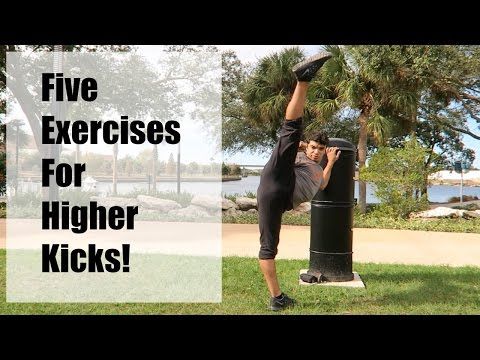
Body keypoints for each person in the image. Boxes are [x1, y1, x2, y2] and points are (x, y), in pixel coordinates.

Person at [257, 51, 341, 311]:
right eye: (313, 147)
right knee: (290, 130)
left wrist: (331, 162)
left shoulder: (317, 170)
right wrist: (303, 144)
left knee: (272, 244)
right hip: (278, 178)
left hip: (281, 197)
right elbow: (295, 143)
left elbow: (323, 185)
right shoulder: (300, 158)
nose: (315, 151)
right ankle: (303, 79)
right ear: (309, 147)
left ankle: (277, 299)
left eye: (320, 149)